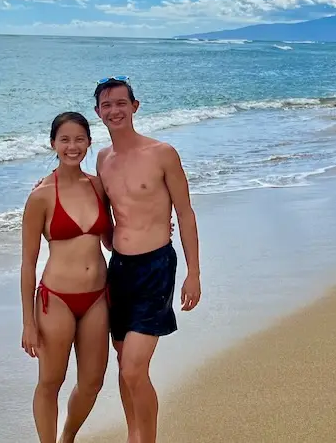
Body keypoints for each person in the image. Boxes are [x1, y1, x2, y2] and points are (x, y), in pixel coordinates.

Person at [93, 76, 201, 443]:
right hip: (119, 270)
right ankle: (133, 435)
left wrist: (194, 273)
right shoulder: (102, 159)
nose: (114, 110)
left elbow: (185, 213)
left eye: (121, 103)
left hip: (156, 267)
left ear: (135, 106)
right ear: (98, 113)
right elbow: (99, 211)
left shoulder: (162, 153)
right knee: (125, 369)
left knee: (134, 367)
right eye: (107, 105)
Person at [20, 112, 113, 443]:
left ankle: (67, 437)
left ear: (89, 142)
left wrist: (156, 228)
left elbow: (113, 239)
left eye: (79, 139)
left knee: (92, 382)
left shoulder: (99, 186)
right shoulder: (41, 196)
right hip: (55, 299)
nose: (72, 147)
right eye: (65, 140)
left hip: (97, 297)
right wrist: (28, 323)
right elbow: (27, 264)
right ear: (53, 144)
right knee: (50, 381)